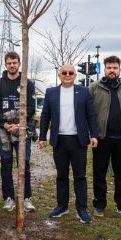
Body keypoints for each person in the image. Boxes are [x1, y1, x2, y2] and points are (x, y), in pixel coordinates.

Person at [39, 64, 99, 223]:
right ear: (59, 75)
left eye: (70, 73)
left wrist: (94, 135)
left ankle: (81, 209)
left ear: (75, 76)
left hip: (78, 140)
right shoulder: (51, 92)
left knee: (80, 176)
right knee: (61, 175)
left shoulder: (84, 92)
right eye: (64, 72)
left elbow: (91, 115)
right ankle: (62, 206)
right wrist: (42, 136)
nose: (67, 75)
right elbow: (45, 115)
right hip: (59, 140)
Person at [89, 56, 121, 217]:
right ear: (104, 69)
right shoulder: (94, 88)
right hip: (101, 138)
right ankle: (99, 204)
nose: (112, 70)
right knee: (99, 173)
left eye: (115, 68)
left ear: (119, 70)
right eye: (109, 67)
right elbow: (88, 111)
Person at [0, 52, 36, 212]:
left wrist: (19, 124)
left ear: (19, 63)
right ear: (5, 64)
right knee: (6, 164)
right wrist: (4, 124)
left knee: (24, 164)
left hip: (22, 129)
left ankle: (26, 197)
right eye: (9, 63)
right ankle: (8, 198)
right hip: (4, 130)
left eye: (14, 62)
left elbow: (31, 107)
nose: (12, 65)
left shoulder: (27, 83)